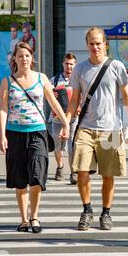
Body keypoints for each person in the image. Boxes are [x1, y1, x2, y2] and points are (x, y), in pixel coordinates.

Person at [64, 26, 128, 231]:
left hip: (111, 129)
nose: (95, 47)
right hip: (85, 127)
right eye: (91, 43)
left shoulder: (116, 66)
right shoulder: (80, 69)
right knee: (82, 171)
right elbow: (74, 100)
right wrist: (68, 123)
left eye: (98, 43)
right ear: (87, 45)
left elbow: (126, 97)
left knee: (108, 173)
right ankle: (87, 210)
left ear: (105, 44)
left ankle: (106, 212)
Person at [0, 42, 70, 233]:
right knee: (20, 179)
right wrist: (2, 135)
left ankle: (35, 216)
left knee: (37, 177)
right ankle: (23, 219)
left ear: (32, 58)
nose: (24, 59)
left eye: (27, 56)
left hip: (38, 132)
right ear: (15, 59)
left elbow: (53, 102)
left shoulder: (42, 78)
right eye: (20, 56)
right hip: (14, 134)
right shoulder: (8, 81)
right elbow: (3, 109)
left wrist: (65, 122)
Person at [49, 53, 78, 184]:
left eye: (71, 64)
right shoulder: (54, 80)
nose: (69, 66)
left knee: (73, 146)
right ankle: (60, 167)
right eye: (67, 63)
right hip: (57, 119)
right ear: (63, 64)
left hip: (73, 118)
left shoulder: (78, 79)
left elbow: (83, 97)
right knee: (57, 146)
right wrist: (51, 94)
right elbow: (47, 95)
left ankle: (73, 172)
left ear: (75, 65)